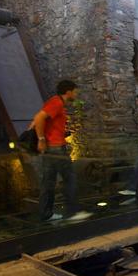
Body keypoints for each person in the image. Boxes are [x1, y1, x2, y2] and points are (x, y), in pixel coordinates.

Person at [33, 80, 91, 221]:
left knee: (48, 182)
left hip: (52, 148)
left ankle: (45, 214)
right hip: (56, 148)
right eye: (75, 91)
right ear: (68, 91)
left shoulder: (56, 102)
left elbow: (39, 120)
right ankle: (72, 212)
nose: (76, 94)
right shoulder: (57, 102)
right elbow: (38, 118)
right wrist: (41, 139)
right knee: (70, 178)